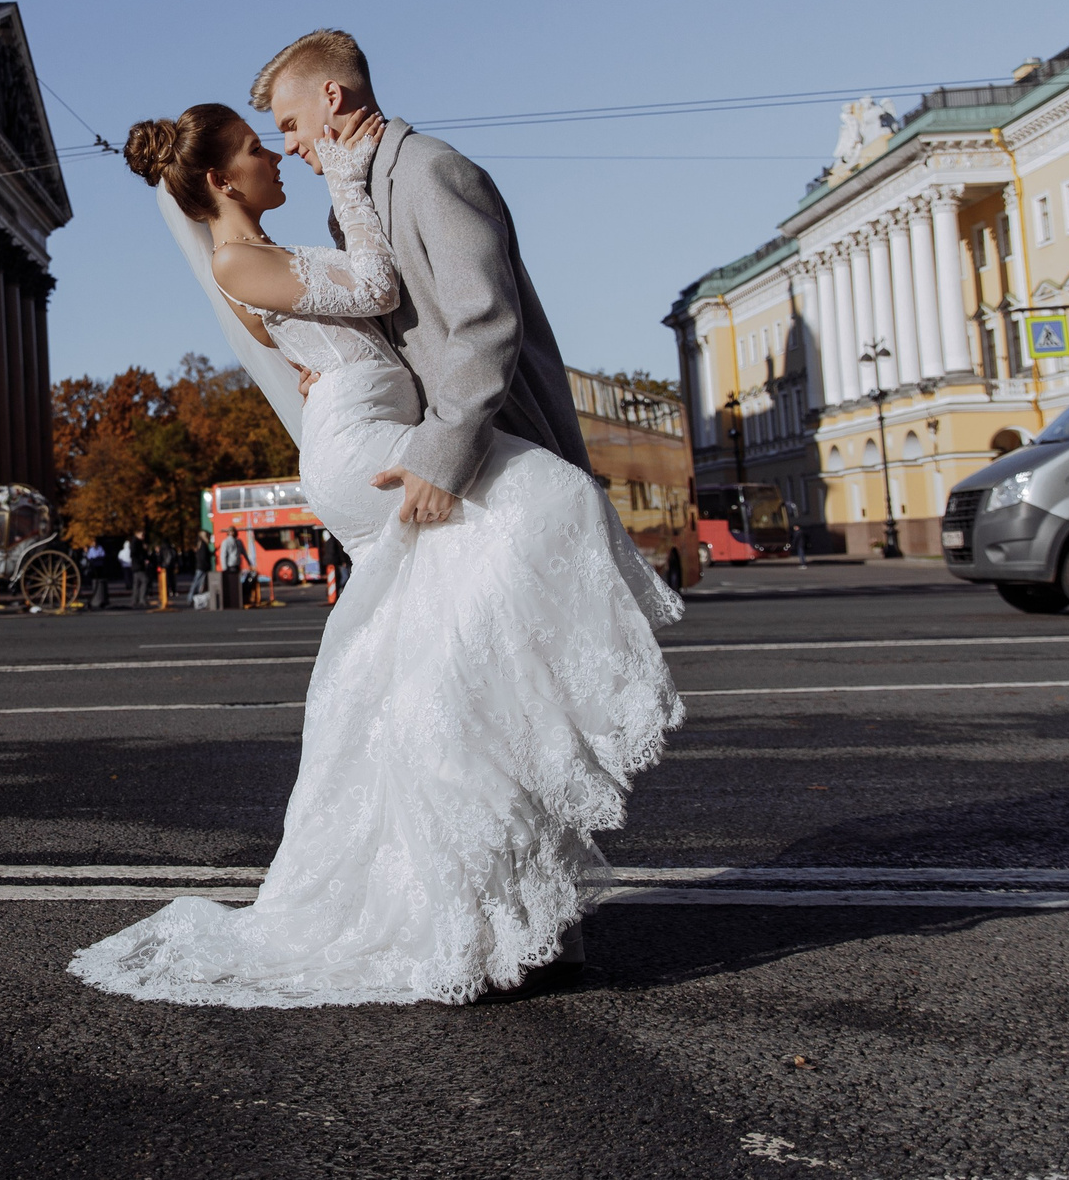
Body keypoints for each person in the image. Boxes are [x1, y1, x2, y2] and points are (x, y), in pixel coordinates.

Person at [69, 60, 680, 1009]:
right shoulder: (240, 257)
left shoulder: (262, 246)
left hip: (371, 428)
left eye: (279, 131)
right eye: (257, 144)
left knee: (441, 673)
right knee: (548, 502)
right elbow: (376, 282)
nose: (277, 152)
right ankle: (480, 873)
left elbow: (351, 323)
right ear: (223, 181)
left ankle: (475, 893)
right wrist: (351, 185)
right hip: (370, 452)